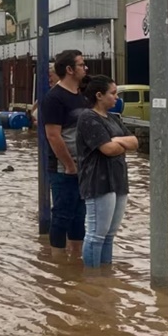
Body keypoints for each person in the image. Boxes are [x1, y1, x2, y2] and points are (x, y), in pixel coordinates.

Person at [77, 76, 138, 268]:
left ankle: (105, 276)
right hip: (98, 181)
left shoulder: (112, 119)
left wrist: (116, 141)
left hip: (118, 180)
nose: (116, 98)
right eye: (113, 93)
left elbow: (135, 142)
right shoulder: (88, 117)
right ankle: (92, 278)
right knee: (96, 234)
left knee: (109, 235)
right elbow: (107, 150)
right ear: (99, 96)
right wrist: (120, 143)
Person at [40, 50, 88, 258]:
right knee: (62, 215)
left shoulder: (82, 96)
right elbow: (53, 136)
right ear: (69, 70)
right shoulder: (54, 98)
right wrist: (69, 165)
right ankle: (58, 262)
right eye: (81, 64)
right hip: (63, 169)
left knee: (80, 216)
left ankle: (75, 258)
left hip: (84, 168)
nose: (85, 68)